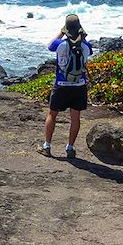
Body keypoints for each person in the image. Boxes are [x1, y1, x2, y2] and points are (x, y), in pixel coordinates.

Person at [37, 14, 92, 159]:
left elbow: (50, 45)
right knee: (75, 118)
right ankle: (70, 148)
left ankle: (47, 146)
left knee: (52, 115)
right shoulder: (86, 46)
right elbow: (89, 49)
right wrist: (82, 36)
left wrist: (62, 32)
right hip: (79, 86)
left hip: (61, 85)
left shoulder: (60, 44)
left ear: (66, 29)